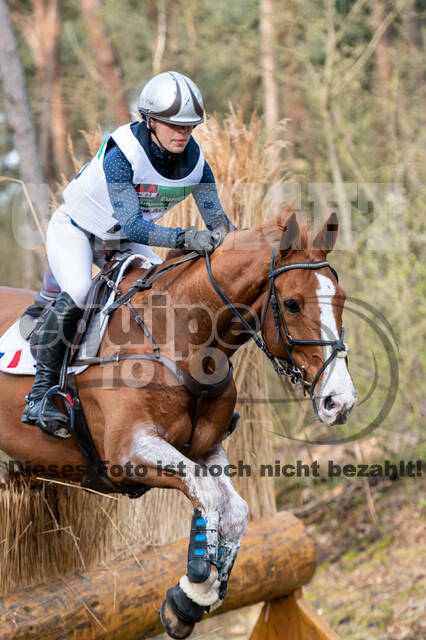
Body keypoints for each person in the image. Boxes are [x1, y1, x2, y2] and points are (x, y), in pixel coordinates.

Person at [22, 71, 236, 438]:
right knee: (78, 289)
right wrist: (188, 237)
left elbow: (220, 225)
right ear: (150, 120)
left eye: (188, 126)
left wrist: (238, 248)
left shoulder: (197, 165)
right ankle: (40, 396)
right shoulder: (123, 152)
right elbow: (136, 226)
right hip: (77, 229)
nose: (182, 134)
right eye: (172, 125)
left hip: (118, 240)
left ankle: (195, 395)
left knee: (164, 293)